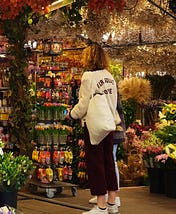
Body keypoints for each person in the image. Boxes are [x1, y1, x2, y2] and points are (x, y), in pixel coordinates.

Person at [67, 43, 119, 214]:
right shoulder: (109, 76)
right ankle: (112, 202)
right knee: (108, 161)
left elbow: (83, 104)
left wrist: (72, 114)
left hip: (95, 125)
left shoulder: (88, 77)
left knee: (95, 163)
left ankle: (101, 205)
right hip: (109, 124)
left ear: (89, 58)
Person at [89, 94, 126, 207]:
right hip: (111, 128)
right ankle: (109, 195)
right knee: (109, 161)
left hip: (112, 129)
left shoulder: (109, 92)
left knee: (111, 161)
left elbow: (116, 109)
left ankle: (114, 196)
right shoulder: (111, 89)